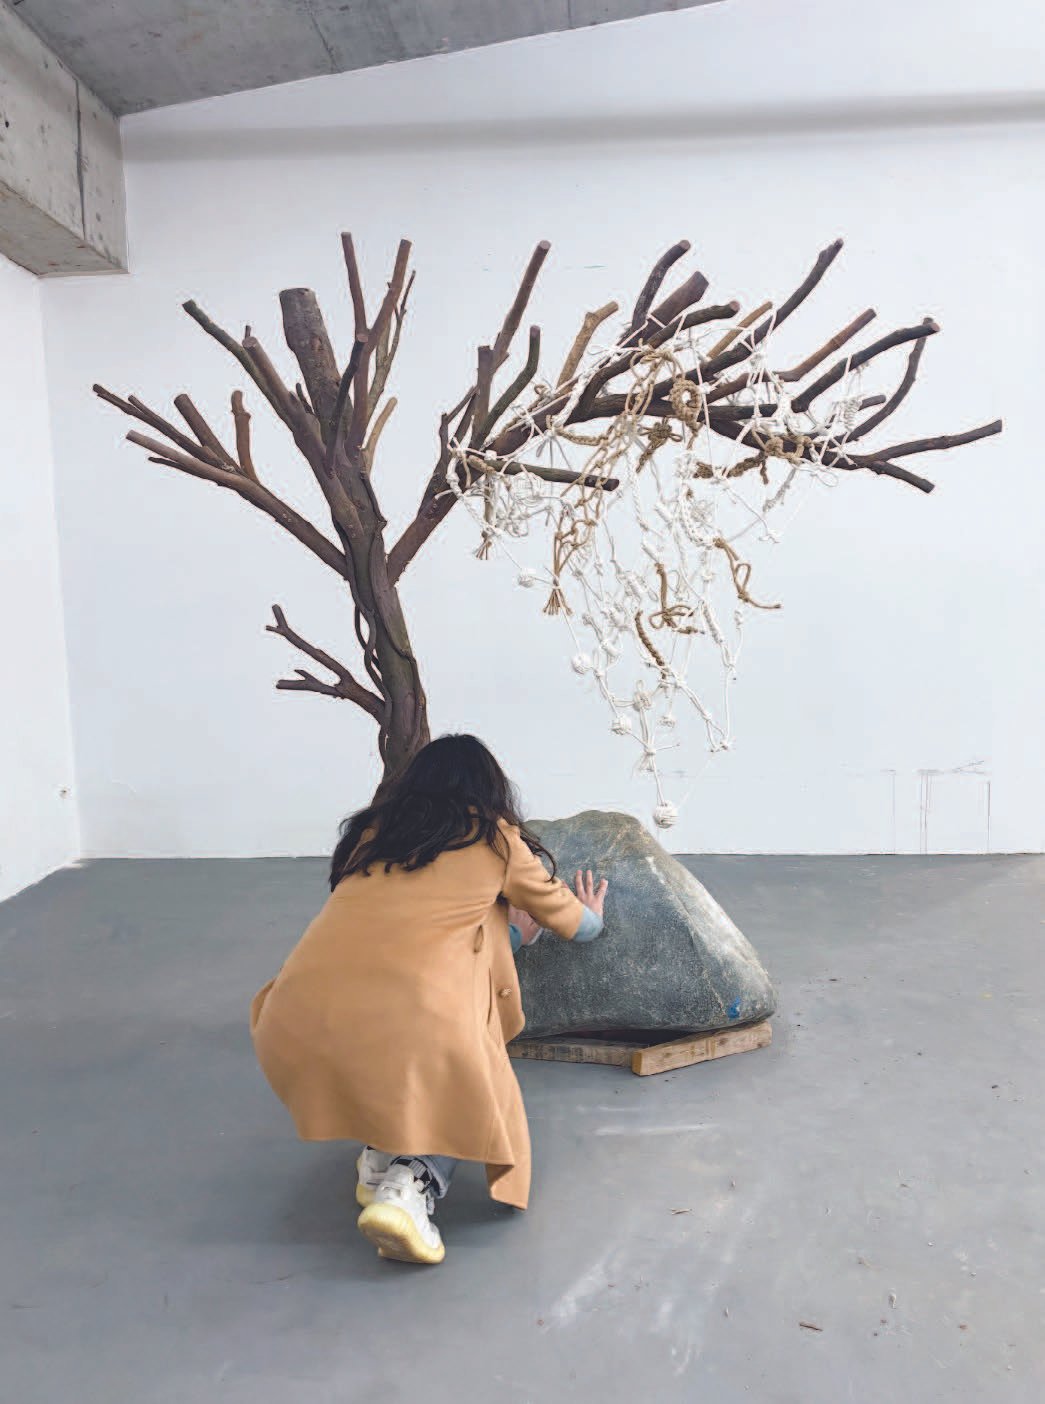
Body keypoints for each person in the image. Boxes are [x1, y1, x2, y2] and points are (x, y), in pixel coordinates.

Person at [250, 734, 608, 1266]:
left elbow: (426, 934)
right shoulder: (495, 841)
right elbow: (577, 927)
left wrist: (512, 934)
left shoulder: (375, 834)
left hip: (296, 1015)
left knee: (392, 1043)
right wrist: (592, 912)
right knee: (468, 1080)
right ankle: (408, 1187)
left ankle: (378, 1157)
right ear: (490, 788)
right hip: (412, 1027)